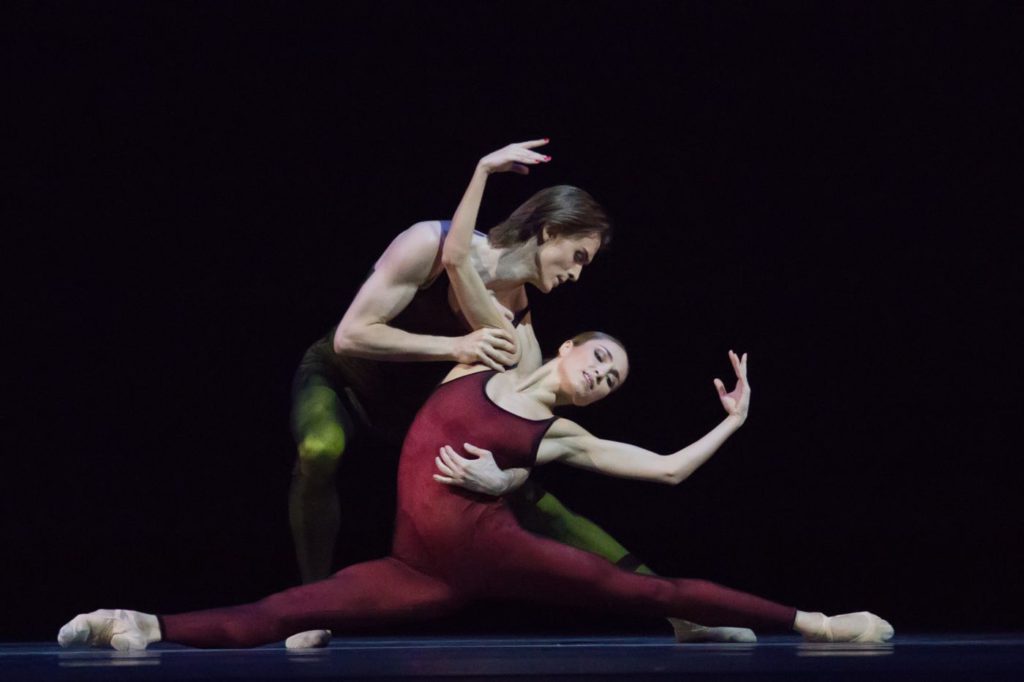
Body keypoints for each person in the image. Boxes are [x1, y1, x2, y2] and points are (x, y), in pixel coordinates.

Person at [58, 147, 893, 650]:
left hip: (491, 546)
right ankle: (133, 623)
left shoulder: (548, 411)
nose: (602, 373)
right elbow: (458, 253)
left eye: (612, 380)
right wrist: (484, 170)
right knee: (284, 609)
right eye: (600, 357)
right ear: (569, 347)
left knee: (655, 593)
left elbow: (668, 471)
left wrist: (732, 421)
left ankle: (821, 624)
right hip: (416, 558)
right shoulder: (491, 345)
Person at [290, 140, 744, 642]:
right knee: (320, 447)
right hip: (346, 380)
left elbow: (522, 434)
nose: (576, 274)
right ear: (549, 231)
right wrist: (456, 345)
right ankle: (310, 611)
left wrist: (503, 478)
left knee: (537, 499)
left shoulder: (520, 328)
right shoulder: (430, 245)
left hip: (419, 418)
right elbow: (351, 335)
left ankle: (681, 614)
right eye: (577, 256)